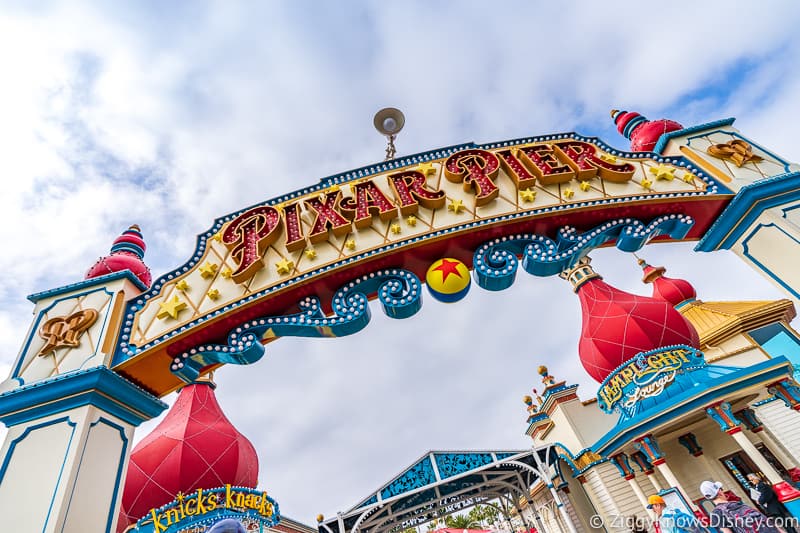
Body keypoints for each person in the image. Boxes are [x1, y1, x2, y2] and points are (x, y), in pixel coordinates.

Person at [700, 480, 780, 533]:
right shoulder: (738, 504)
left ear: (708, 498)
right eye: (721, 489)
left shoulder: (715, 515)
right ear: (720, 492)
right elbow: (764, 519)